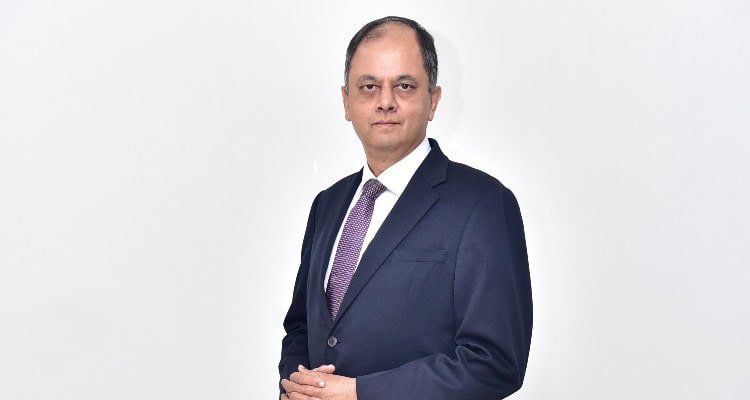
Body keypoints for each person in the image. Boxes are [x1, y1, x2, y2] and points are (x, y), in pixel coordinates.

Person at [279, 16, 532, 400]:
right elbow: (301, 329)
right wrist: (297, 388)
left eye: (404, 86)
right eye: (368, 87)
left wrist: (360, 393)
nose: (385, 102)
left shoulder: (483, 204)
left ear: (433, 100)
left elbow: (495, 363)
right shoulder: (327, 205)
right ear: (347, 102)